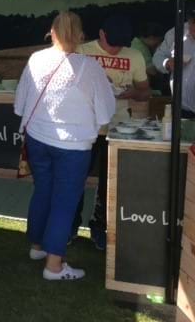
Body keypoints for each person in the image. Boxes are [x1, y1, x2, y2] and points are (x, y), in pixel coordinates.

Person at [14, 12, 115, 281]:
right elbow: (106, 112)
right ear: (81, 35)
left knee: (43, 192)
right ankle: (54, 265)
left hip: (38, 138)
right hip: (73, 145)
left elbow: (19, 103)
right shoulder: (90, 67)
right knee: (64, 202)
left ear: (52, 32)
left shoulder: (36, 59)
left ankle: (37, 246)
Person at [75, 14, 150, 249]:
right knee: (75, 179)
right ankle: (69, 227)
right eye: (112, 44)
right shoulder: (82, 51)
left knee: (109, 184)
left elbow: (145, 91)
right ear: (101, 34)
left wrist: (130, 94)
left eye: (121, 45)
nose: (116, 50)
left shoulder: (135, 56)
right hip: (84, 128)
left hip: (118, 129)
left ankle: (99, 228)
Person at [152, 9, 195, 118]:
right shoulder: (177, 32)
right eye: (191, 23)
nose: (191, 30)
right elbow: (158, 57)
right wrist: (167, 63)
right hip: (180, 110)